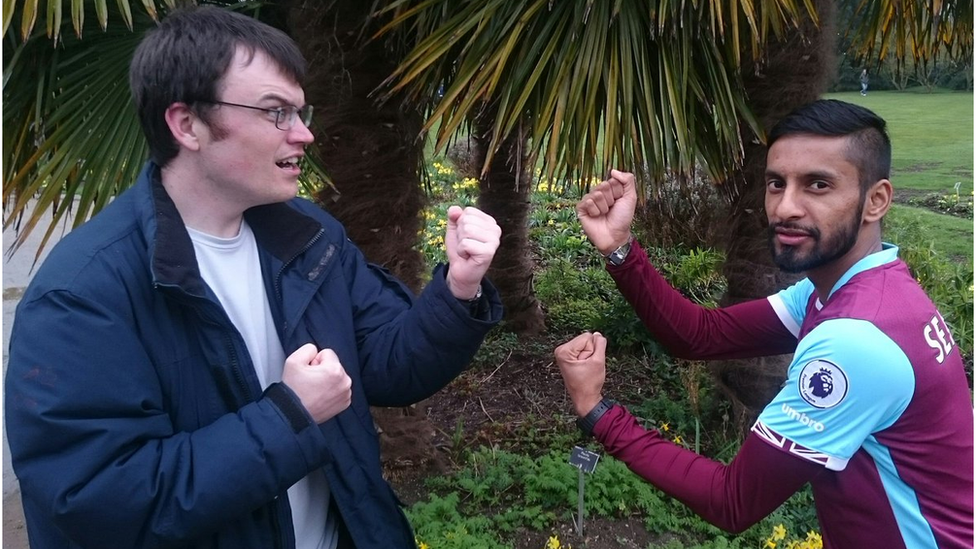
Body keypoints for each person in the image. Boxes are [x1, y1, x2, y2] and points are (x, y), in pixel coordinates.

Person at [5, 6, 504, 549]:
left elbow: (391, 367)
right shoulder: (84, 293)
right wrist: (288, 416)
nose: (305, 134)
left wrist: (458, 289)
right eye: (276, 113)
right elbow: (97, 504)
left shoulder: (309, 237)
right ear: (187, 124)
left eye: (300, 110)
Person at [558, 100, 973, 548]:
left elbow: (731, 501)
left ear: (876, 201)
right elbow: (701, 335)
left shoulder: (857, 341)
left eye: (818, 184)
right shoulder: (853, 288)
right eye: (777, 183)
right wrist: (619, 247)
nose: (785, 207)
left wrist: (596, 411)